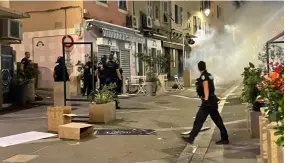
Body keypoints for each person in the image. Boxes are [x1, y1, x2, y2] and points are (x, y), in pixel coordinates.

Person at [187, 61, 229, 145]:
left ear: (199, 68)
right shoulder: (210, 75)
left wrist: (206, 99)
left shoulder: (203, 76)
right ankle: (225, 138)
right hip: (213, 101)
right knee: (217, 120)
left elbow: (206, 87)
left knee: (199, 119)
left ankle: (191, 138)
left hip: (208, 102)